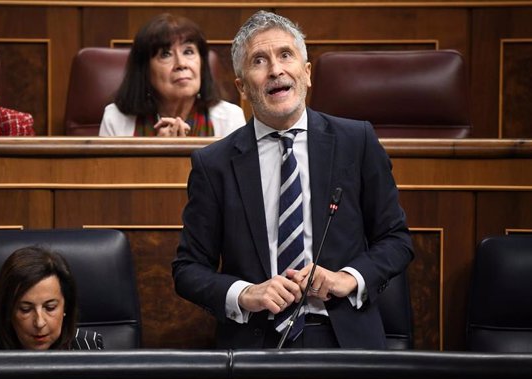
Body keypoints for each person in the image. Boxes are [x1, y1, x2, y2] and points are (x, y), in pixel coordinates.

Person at [172, 11, 414, 349]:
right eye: (259, 60)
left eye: (286, 55)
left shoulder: (355, 141)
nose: (276, 70)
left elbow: (396, 240)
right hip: (255, 340)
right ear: (242, 87)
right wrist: (245, 294)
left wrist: (346, 279)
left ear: (307, 72)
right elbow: (188, 269)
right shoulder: (214, 163)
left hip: (343, 337)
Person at [99, 13, 245, 137]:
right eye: (165, 54)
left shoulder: (230, 118)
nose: (181, 64)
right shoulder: (116, 119)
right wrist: (157, 154)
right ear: (144, 70)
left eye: (188, 52)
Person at [0, 246, 103, 350]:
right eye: (25, 309)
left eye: (50, 307)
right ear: (8, 310)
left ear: (66, 307)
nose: (39, 323)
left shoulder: (87, 345)